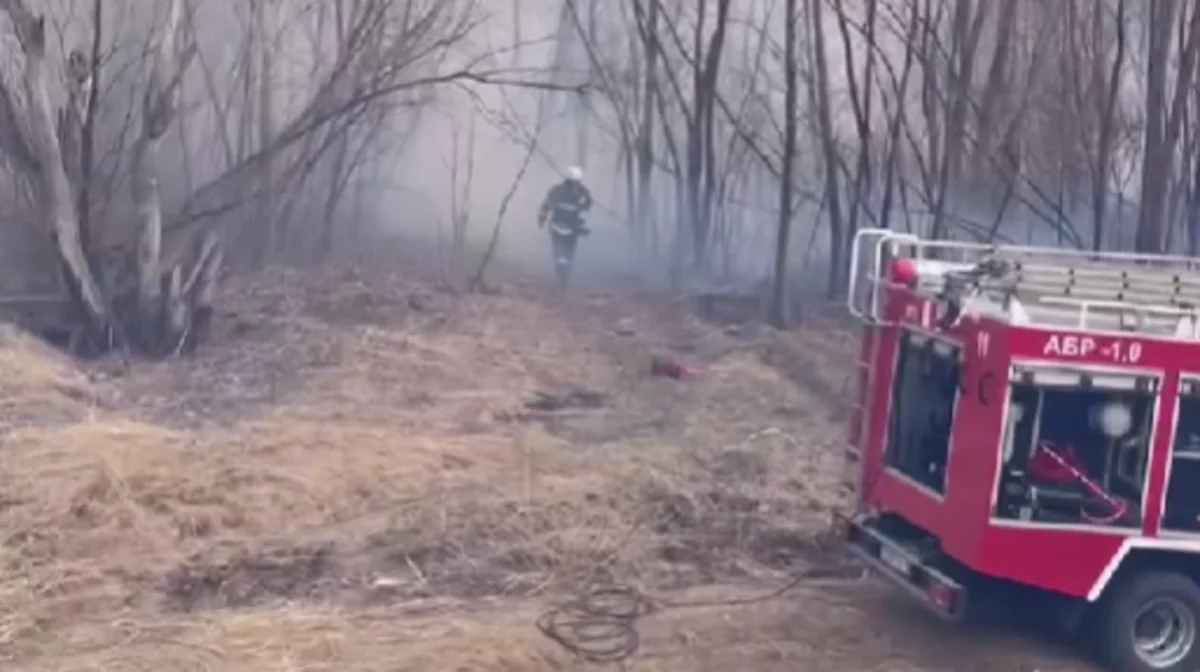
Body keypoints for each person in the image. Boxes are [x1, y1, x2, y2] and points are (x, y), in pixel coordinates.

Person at [538, 165, 593, 287]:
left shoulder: (577, 191)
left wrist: (542, 218)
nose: (574, 185)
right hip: (562, 226)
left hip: (569, 227)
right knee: (561, 254)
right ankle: (562, 277)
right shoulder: (575, 191)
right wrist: (542, 218)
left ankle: (564, 277)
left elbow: (588, 204)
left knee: (567, 254)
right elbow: (547, 205)